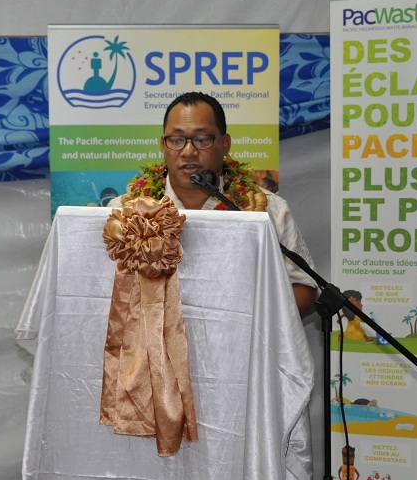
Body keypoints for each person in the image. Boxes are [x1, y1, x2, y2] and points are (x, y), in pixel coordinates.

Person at [108, 92, 318, 317]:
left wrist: (247, 318)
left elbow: (303, 289)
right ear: (163, 144)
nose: (189, 152)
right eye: (177, 140)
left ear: (225, 144)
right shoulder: (124, 213)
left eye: (202, 139)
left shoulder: (267, 210)